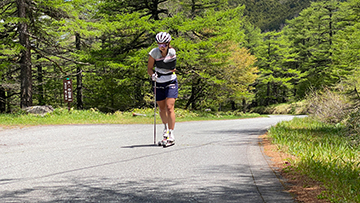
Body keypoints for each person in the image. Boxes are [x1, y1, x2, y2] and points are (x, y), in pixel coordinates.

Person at [147, 32, 178, 145]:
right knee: (162, 108)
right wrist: (153, 75)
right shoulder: (154, 53)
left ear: (168, 43)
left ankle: (171, 132)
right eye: (159, 44)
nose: (162, 47)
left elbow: (171, 68)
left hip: (170, 80)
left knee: (170, 107)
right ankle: (165, 129)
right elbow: (149, 68)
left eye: (164, 44)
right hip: (159, 81)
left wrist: (161, 68)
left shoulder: (172, 52)